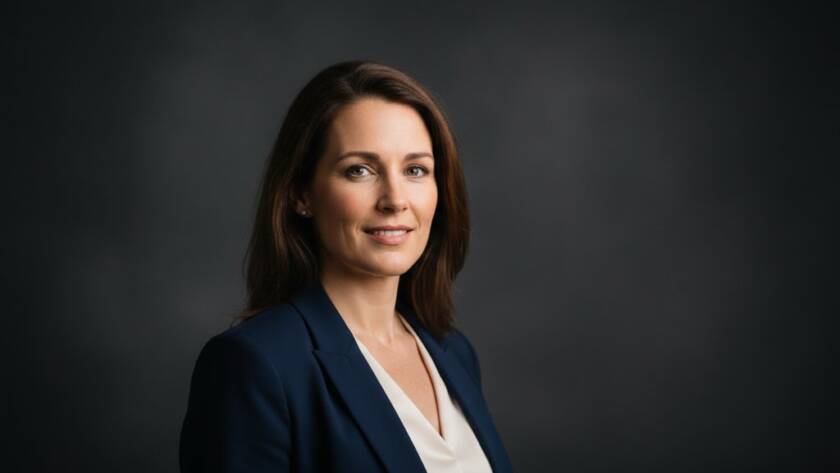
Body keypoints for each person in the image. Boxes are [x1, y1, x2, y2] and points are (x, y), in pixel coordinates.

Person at [178, 60, 514, 473]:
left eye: (415, 170)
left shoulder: (453, 351)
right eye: (360, 170)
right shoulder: (255, 364)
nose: (395, 198)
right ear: (301, 193)